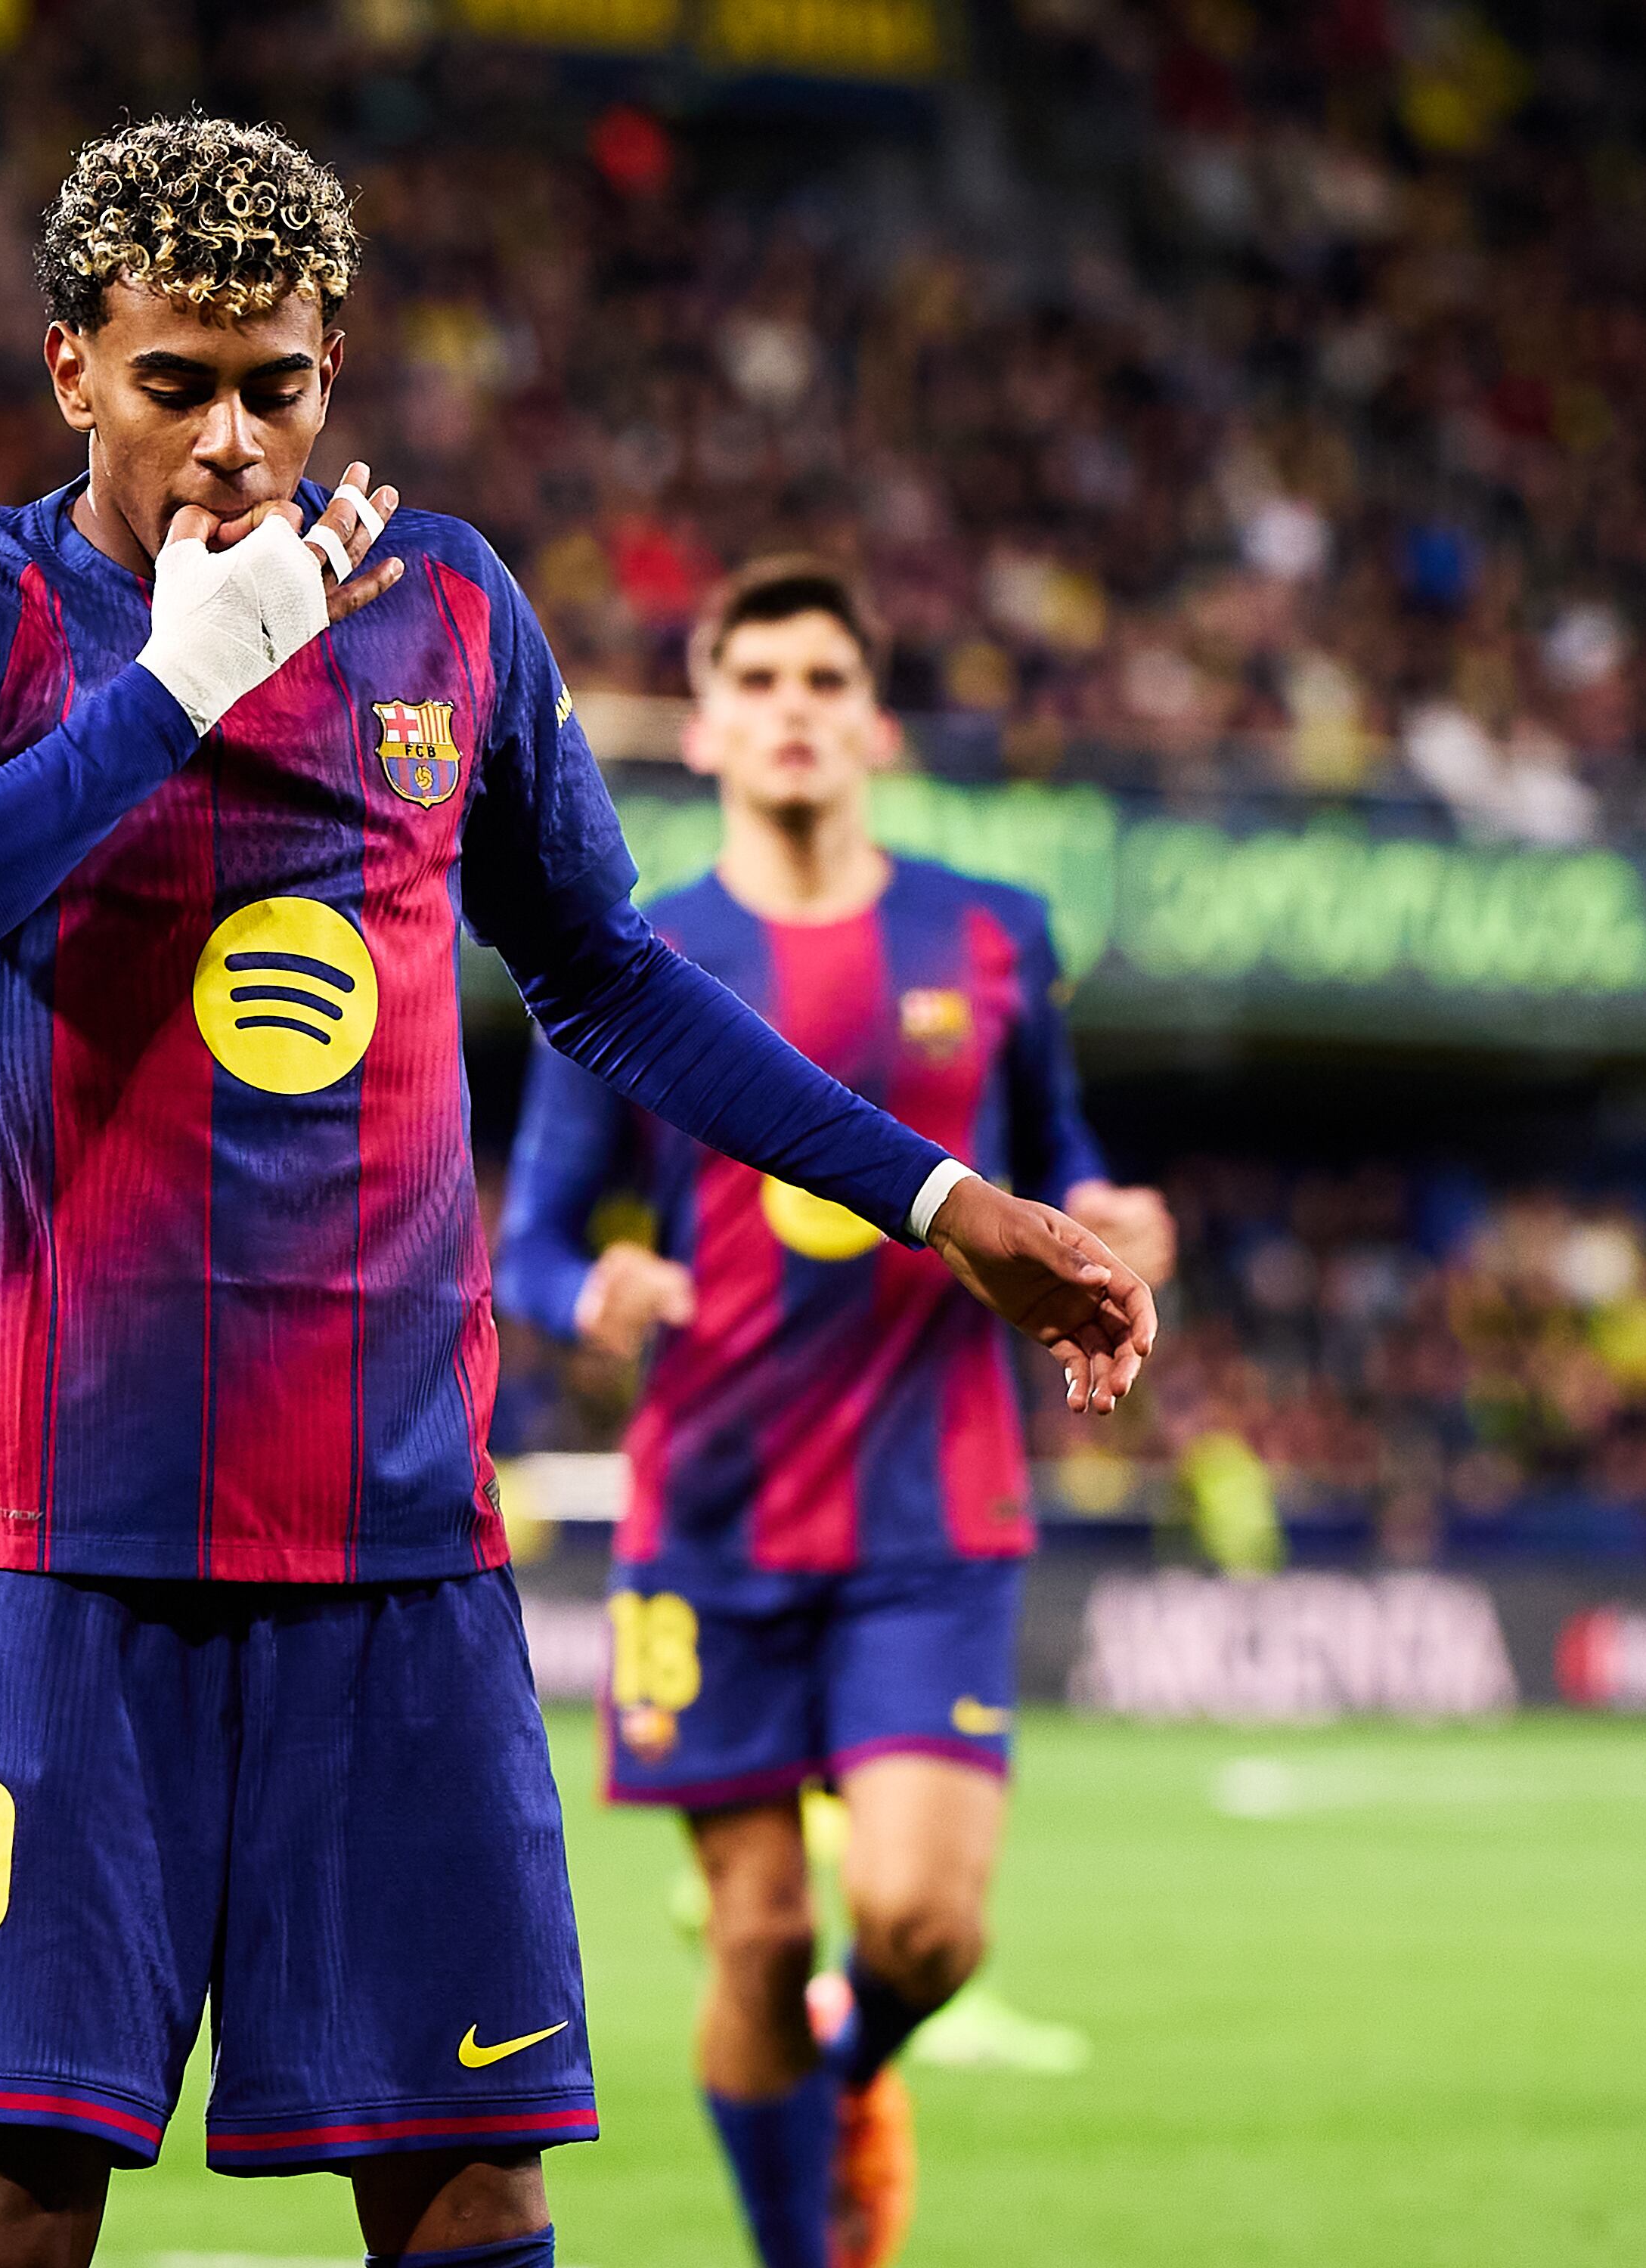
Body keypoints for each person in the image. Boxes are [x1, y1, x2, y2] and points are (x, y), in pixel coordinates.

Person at [0, 116, 1156, 2268]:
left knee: (469, 2196)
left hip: (396, 1544)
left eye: (278, 386)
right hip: (59, 1548)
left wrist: (938, 1197)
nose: (233, 442)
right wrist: (178, 686)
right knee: (14, 2199)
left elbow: (607, 973)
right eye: (174, 386)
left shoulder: (447, 609)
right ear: (70, 371)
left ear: (333, 369)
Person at [492, 557, 1178, 2268]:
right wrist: (594, 1291)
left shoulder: (992, 933)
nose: (792, 710)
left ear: (875, 724)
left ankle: (855, 2067)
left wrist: (1113, 1216)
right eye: (758, 681)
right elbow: (532, 1245)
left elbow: (1061, 1152)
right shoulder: (635, 957)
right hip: (711, 1513)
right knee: (752, 1937)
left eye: (824, 681)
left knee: (922, 1923)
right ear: (705, 727)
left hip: (932, 1507)